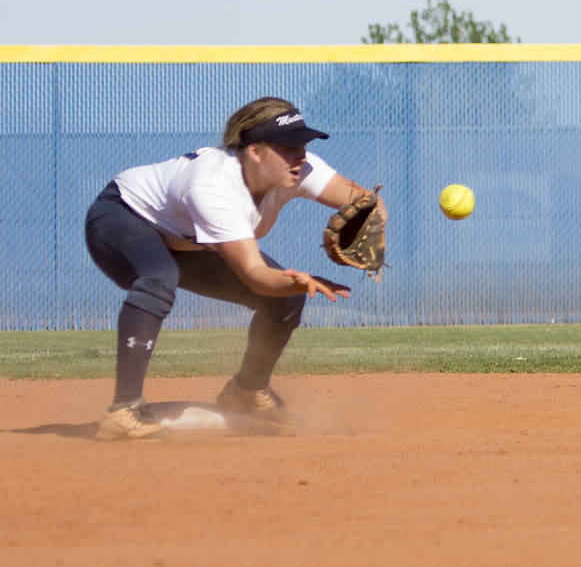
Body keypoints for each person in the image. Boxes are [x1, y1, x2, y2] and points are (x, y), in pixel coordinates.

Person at [84, 96, 385, 440]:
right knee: (159, 277)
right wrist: (298, 281)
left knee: (285, 301)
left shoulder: (301, 169)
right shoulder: (214, 187)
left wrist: (375, 222)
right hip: (124, 218)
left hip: (188, 240)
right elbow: (256, 276)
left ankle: (247, 392)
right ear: (255, 151)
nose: (299, 156)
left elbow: (366, 202)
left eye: (302, 145)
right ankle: (123, 410)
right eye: (288, 147)